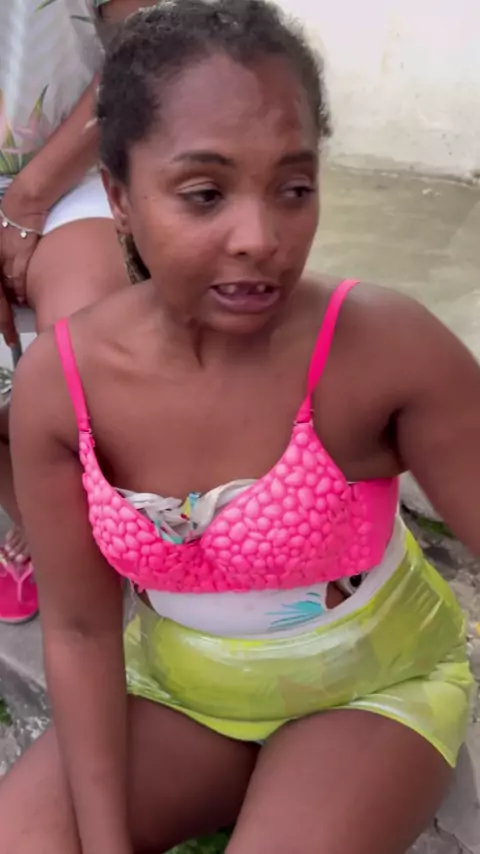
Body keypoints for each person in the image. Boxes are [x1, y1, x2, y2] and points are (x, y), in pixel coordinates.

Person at [1, 2, 479, 852]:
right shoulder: (62, 385)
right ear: (119, 196)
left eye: (294, 189)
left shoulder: (382, 349)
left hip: (373, 691)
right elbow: (78, 629)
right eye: (205, 194)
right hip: (181, 695)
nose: (260, 238)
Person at [0, 0, 155, 623]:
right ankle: (36, 517)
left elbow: (145, 43)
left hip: (76, 159)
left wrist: (29, 197)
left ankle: (107, 512)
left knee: (80, 363)